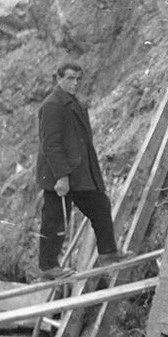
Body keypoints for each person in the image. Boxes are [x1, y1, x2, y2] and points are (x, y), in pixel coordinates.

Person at [35, 62, 122, 279]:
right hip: (60, 176)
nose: (75, 83)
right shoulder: (52, 105)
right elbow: (50, 144)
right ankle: (48, 268)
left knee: (100, 205)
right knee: (54, 220)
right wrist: (62, 176)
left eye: (78, 79)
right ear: (59, 79)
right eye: (70, 79)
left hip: (79, 174)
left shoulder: (76, 104)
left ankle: (108, 254)